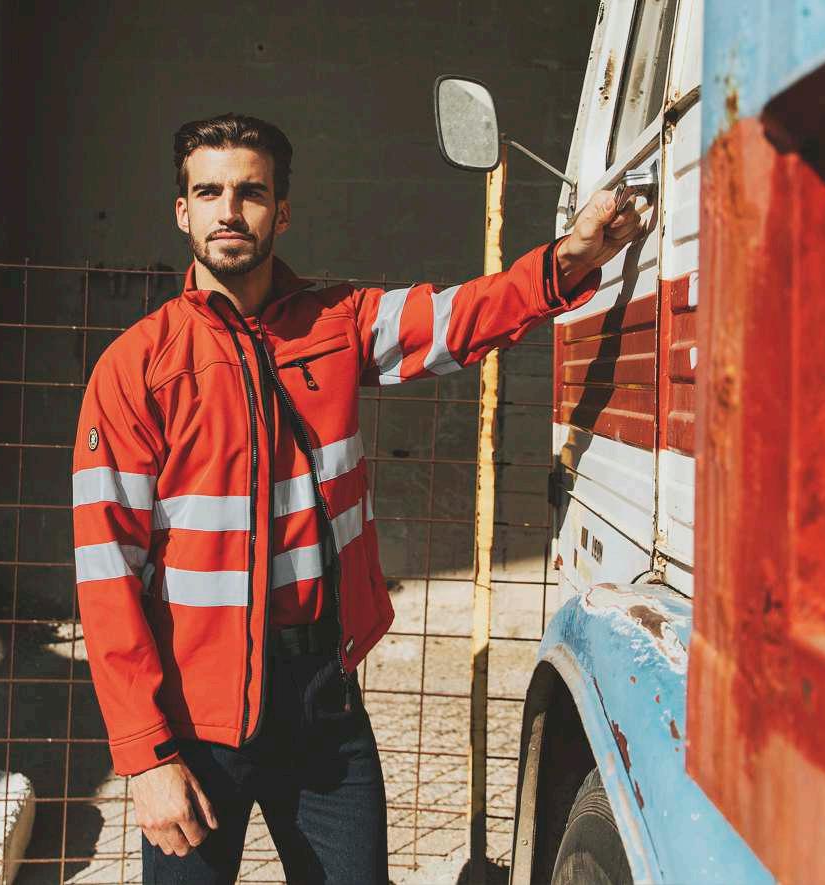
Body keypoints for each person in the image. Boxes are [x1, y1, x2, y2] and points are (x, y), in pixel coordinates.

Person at [71, 112, 643, 884]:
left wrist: (572, 258)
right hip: (196, 720)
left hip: (322, 703)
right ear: (182, 212)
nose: (228, 211)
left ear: (282, 211)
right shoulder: (135, 368)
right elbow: (106, 578)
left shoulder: (335, 322)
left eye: (250, 192)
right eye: (208, 193)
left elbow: (460, 315)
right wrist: (145, 756)